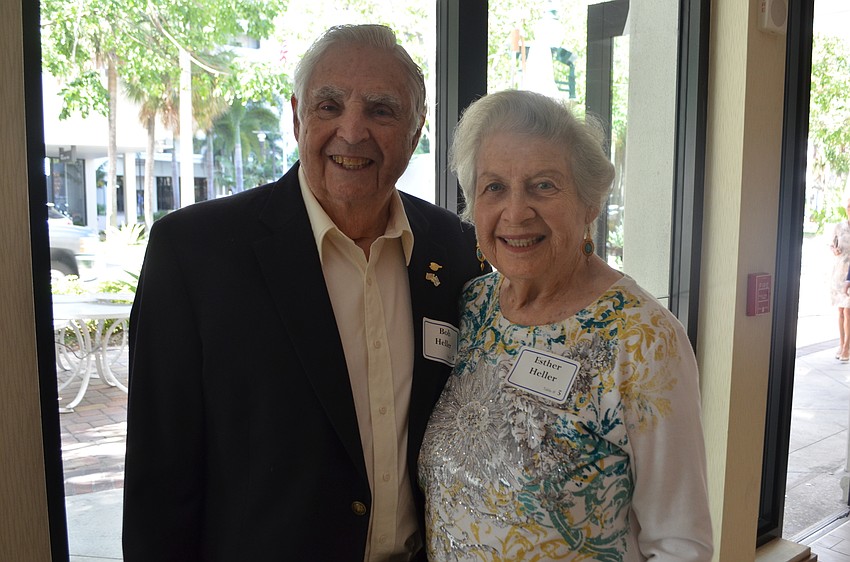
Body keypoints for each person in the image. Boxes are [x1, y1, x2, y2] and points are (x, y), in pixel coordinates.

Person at [122, 24, 483, 561]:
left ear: (416, 128)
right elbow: (160, 477)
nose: (352, 131)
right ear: (296, 116)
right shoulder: (195, 253)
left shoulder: (454, 248)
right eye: (329, 106)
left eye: (381, 110)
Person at [417, 90, 713, 561]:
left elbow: (680, 543)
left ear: (590, 203)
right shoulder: (473, 306)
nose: (516, 213)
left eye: (544, 185)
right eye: (494, 187)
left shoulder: (641, 339)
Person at [830, 197, 850, 361]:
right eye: (849, 206)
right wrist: (834, 249)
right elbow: (831, 244)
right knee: (840, 310)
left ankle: (846, 348)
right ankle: (841, 343)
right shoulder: (839, 227)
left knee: (848, 311)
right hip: (839, 271)